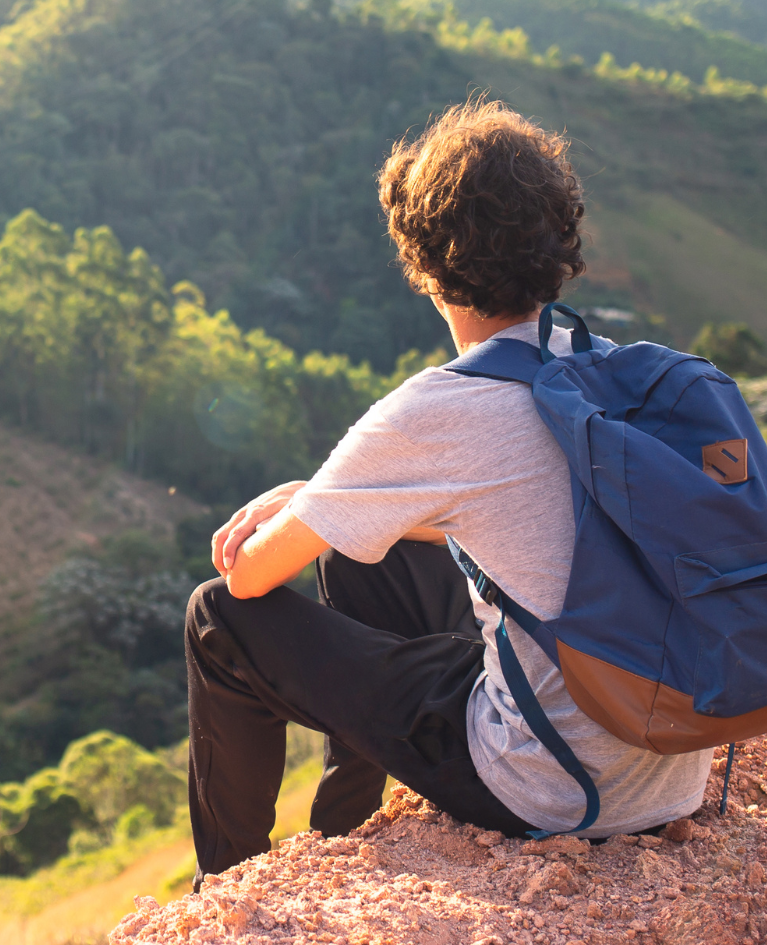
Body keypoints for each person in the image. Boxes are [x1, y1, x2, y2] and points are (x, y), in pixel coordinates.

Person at [182, 98, 713, 877]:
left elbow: (251, 576)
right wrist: (329, 502)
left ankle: (226, 888)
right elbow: (546, 526)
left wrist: (308, 507)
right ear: (557, 243)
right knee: (368, 551)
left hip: (551, 785)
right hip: (668, 763)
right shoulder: (605, 371)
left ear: (427, 267)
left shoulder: (438, 408)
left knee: (214, 619)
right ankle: (344, 830)